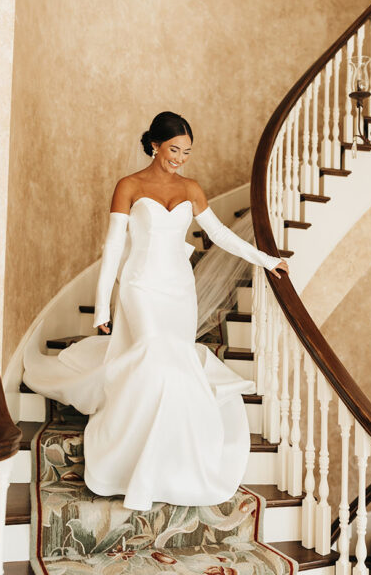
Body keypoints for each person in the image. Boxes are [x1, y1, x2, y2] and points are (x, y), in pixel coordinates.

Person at [23, 111, 289, 511]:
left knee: (174, 364)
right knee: (151, 353)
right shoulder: (128, 186)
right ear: (154, 145)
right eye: (173, 149)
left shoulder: (192, 188)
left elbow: (218, 235)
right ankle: (126, 458)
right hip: (140, 285)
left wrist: (266, 259)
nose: (180, 158)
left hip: (179, 289)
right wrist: (100, 307)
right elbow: (113, 247)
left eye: (186, 151)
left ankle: (172, 460)